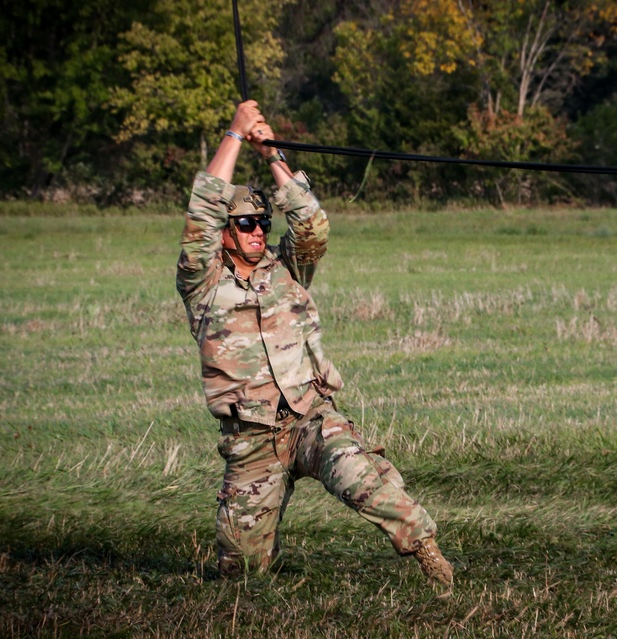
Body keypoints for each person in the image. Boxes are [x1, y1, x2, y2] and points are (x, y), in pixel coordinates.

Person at [175, 100, 453, 588]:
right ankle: (256, 556)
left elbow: (311, 225)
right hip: (251, 439)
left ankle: (425, 546)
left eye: (263, 222)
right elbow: (201, 213)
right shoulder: (201, 281)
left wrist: (272, 153)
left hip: (310, 415)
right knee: (241, 574)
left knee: (358, 476)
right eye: (245, 223)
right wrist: (236, 135)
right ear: (224, 234)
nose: (259, 230)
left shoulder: (288, 268)